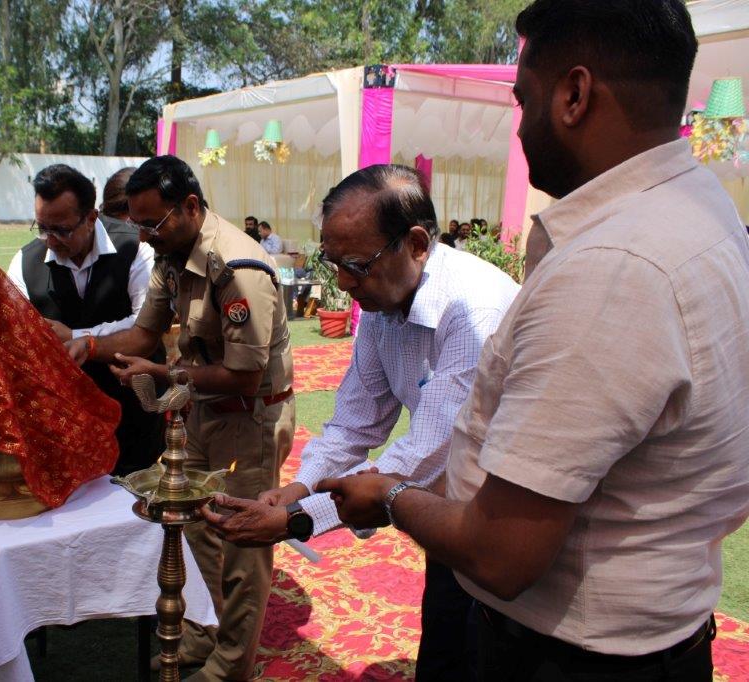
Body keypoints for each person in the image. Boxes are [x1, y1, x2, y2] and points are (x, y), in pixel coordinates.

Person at [318, 1, 749, 679]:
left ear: (574, 95)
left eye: (522, 101)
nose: (518, 128)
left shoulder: (614, 267)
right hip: (651, 637)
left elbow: (501, 553)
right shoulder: (700, 210)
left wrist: (390, 496)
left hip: (571, 659)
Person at [203, 165, 519, 681]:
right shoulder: (381, 302)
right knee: (444, 647)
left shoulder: (473, 309)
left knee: (488, 651)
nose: (344, 283)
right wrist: (298, 489)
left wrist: (299, 518)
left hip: (512, 517)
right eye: (334, 264)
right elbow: (356, 422)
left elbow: (430, 450)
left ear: (416, 244)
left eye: (356, 265)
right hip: (451, 509)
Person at [66, 155, 295, 681]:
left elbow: (243, 375)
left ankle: (232, 666)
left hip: (251, 420)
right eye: (137, 224)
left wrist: (164, 373)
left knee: (241, 540)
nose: (145, 237)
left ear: (190, 206)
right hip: (203, 412)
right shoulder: (171, 254)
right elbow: (143, 334)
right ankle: (207, 633)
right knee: (189, 520)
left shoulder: (236, 268)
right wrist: (88, 346)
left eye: (153, 223)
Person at [0, 164, 163, 477]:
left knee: (133, 499)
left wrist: (78, 337)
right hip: (63, 426)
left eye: (62, 230)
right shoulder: (25, 262)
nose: (51, 240)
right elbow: (4, 344)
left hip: (132, 415)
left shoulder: (136, 247)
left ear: (91, 218)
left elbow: (145, 327)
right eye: (42, 228)